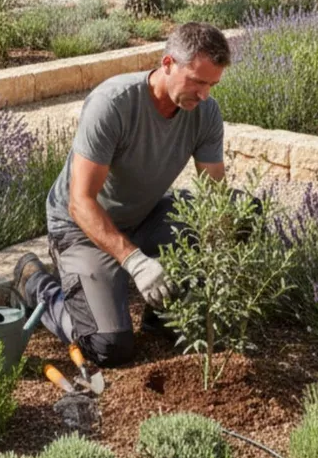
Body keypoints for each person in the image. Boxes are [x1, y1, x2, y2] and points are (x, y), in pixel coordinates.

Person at [13, 21, 231, 367]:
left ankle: (161, 317)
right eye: (198, 81)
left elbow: (214, 199)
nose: (204, 94)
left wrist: (221, 262)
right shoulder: (113, 104)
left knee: (238, 212)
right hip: (80, 228)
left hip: (142, 217)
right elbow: (79, 201)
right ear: (168, 64)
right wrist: (136, 262)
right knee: (108, 347)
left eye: (212, 84)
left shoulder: (205, 113)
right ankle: (39, 286)